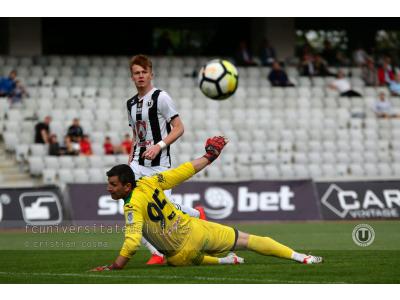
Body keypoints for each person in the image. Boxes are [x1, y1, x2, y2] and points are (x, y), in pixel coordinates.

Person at [90, 136, 323, 272]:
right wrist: (209, 157)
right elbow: (182, 172)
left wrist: (115, 266)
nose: (109, 188)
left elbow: (131, 242)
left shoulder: (131, 206)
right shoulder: (151, 182)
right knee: (248, 240)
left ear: (127, 187)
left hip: (180, 253)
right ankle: (301, 257)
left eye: (112, 184)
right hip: (196, 230)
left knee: (181, 259)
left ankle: (224, 259)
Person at [126, 54, 205, 265]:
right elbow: (136, 135)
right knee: (132, 207)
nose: (141, 76)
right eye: (137, 73)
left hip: (159, 164)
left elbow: (179, 128)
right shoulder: (131, 104)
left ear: (151, 74)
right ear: (132, 77)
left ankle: (196, 214)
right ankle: (157, 253)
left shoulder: (161, 97)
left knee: (165, 207)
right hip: (136, 165)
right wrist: (129, 162)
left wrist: (158, 146)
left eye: (144, 72)